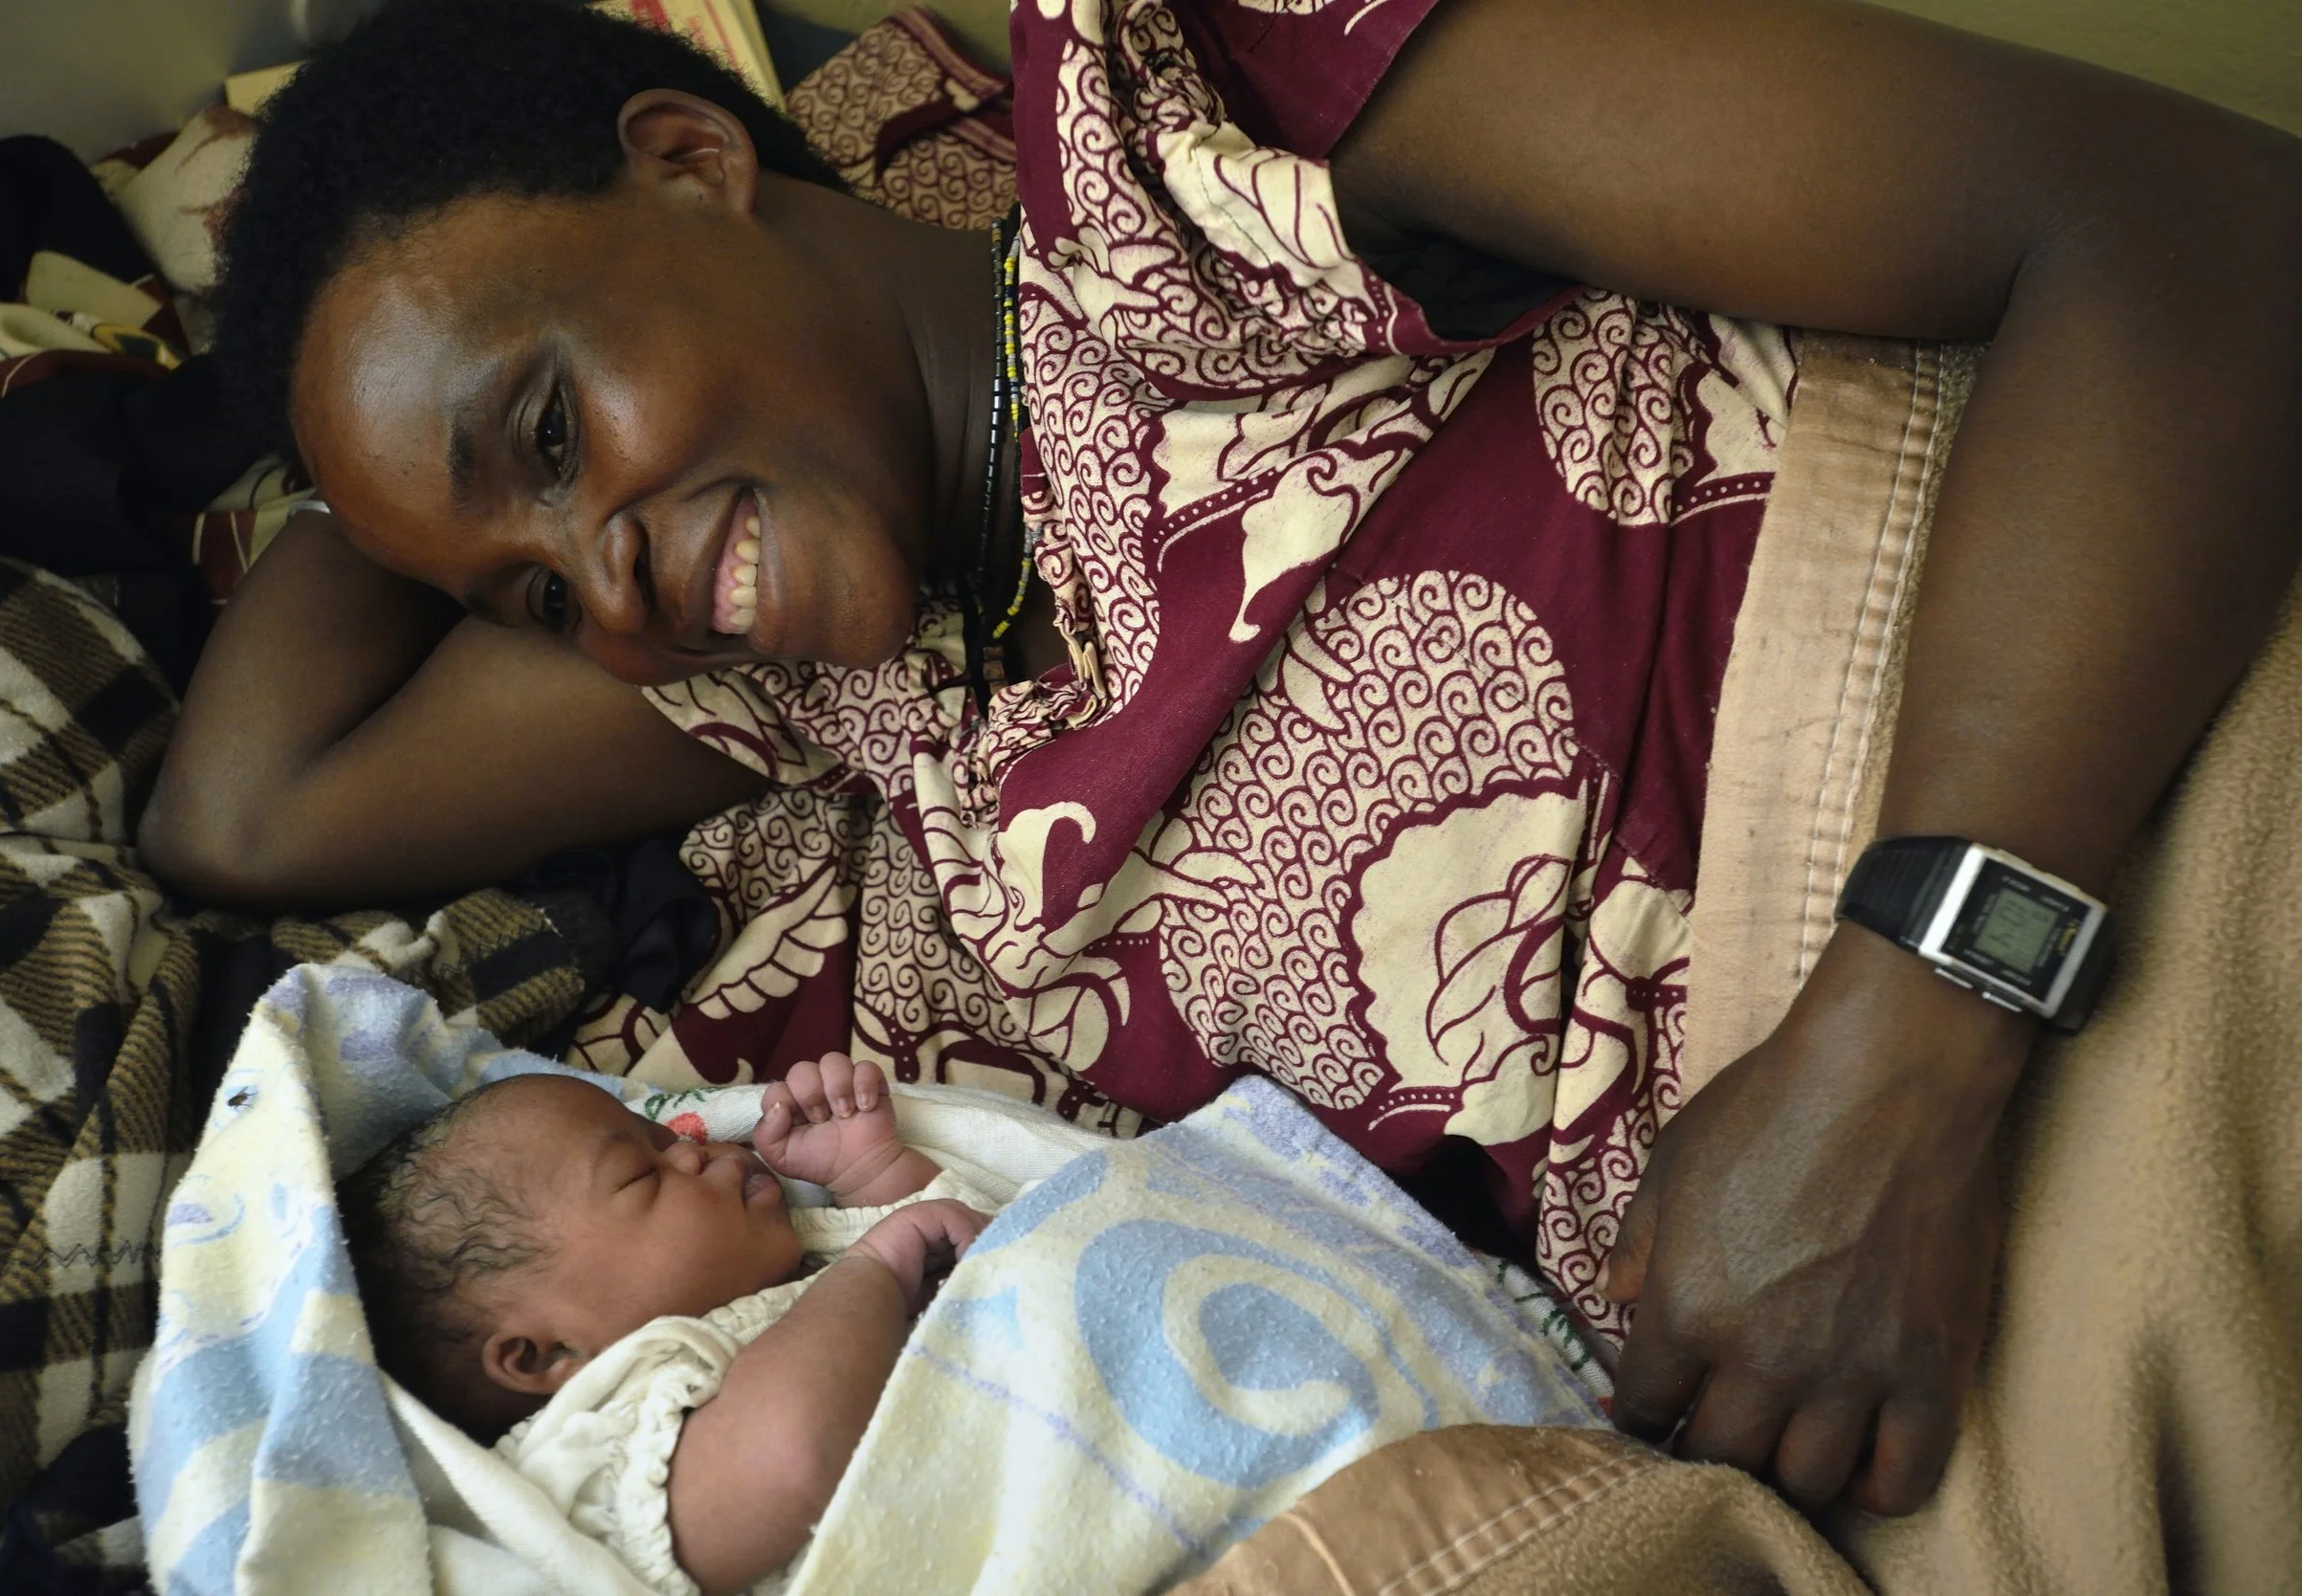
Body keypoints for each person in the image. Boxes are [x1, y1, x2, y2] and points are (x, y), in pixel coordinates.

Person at [144, 0, 2302, 1522]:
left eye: (545, 430)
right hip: (1880, 1394)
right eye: (520, 596)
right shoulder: (788, 693)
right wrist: (373, 469)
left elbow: (2184, 229)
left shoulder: (1214, 120)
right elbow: (238, 818)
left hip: (2088, 880)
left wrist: (1902, 1044)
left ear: (695, 161)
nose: (600, 604)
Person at [341, 1055, 993, 1593]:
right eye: (638, 1176)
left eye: (665, 1140)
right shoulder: (594, 1448)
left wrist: (870, 1173)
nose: (691, 1149)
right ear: (545, 1355)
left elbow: (980, 1258)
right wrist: (876, 1266)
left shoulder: (793, 1274)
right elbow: (791, 1456)